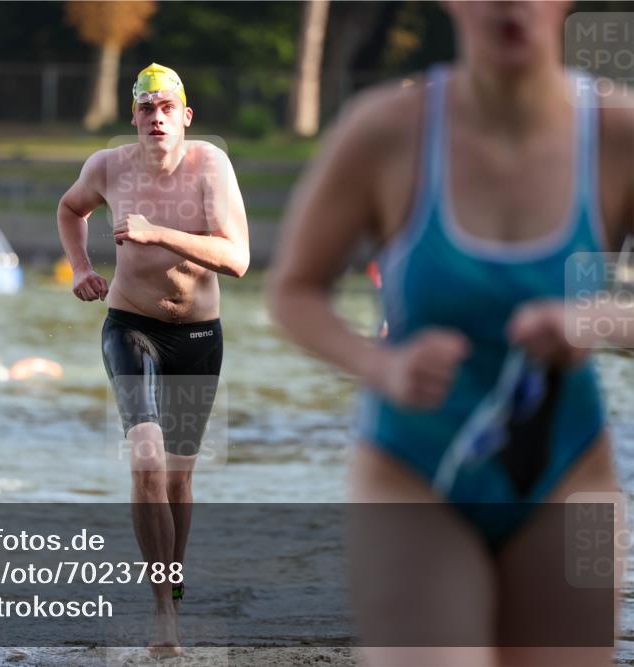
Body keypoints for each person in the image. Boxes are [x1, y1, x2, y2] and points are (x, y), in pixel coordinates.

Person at [267, 2, 632, 666]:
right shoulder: (385, 130)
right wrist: (383, 366)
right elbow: (293, 290)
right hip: (413, 472)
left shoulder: (619, 133)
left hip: (566, 473)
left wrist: (595, 321)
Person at [57, 62, 249, 656]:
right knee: (144, 463)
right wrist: (83, 269)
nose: (157, 118)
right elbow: (71, 209)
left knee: (177, 480)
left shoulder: (210, 166)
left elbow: (237, 259)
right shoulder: (107, 167)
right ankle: (163, 607)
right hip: (130, 327)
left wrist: (157, 232)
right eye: (146, 108)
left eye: (168, 108)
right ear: (133, 116)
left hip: (197, 337)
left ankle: (174, 578)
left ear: (185, 117)